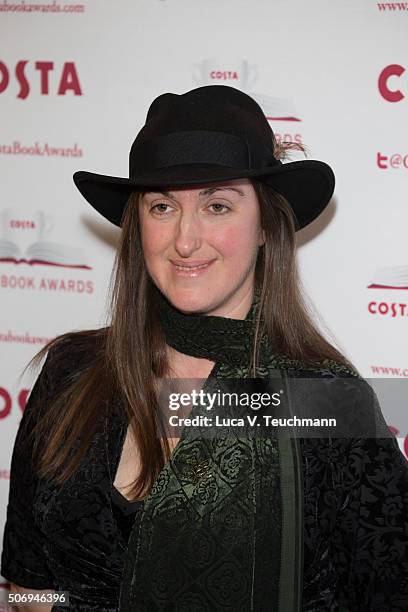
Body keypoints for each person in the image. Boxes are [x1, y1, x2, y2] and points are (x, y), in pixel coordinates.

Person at [1, 85, 407, 612]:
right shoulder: (71, 372)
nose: (186, 240)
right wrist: (59, 605)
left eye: (217, 206)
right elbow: (28, 581)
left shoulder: (325, 401)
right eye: (163, 206)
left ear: (265, 226)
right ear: (136, 226)